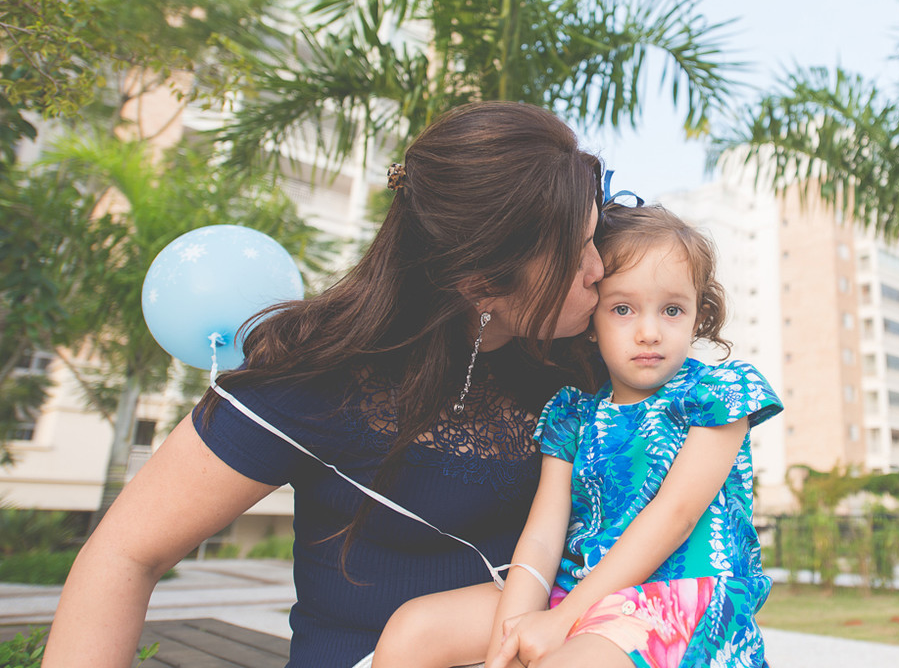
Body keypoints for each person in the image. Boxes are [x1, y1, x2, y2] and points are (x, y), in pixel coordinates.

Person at [43, 101, 607, 668]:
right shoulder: (314, 377)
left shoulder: (586, 368)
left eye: (595, 236)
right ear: (481, 283)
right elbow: (123, 554)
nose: (599, 268)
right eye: (575, 252)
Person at [373, 202, 782, 668]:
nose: (649, 332)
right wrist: (504, 647)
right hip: (576, 587)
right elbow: (543, 537)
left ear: (697, 315)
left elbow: (676, 516)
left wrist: (563, 619)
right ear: (592, 320)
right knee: (415, 629)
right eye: (623, 308)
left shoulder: (717, 394)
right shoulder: (573, 414)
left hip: (677, 596)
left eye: (672, 310)